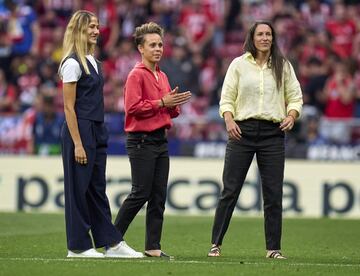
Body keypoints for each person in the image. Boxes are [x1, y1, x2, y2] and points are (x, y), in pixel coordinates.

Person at [207, 21, 303, 259]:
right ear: (252, 37)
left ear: (273, 37)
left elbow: (295, 97)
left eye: (269, 34)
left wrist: (292, 115)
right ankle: (215, 244)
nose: (265, 38)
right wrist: (229, 121)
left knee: (273, 194)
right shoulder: (238, 65)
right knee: (230, 190)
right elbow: (227, 97)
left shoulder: (283, 65)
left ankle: (273, 249)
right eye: (260, 34)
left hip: (273, 133)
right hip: (242, 131)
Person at [59, 10, 143, 258]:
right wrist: (77, 143)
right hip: (81, 130)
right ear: (79, 30)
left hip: (97, 128)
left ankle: (111, 242)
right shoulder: (72, 63)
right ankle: (78, 246)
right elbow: (68, 107)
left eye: (97, 26)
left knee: (96, 188)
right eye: (91, 27)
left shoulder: (93, 62)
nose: (97, 31)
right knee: (78, 189)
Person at [114, 22, 191, 258]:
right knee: (140, 192)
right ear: (140, 48)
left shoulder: (162, 75)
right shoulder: (136, 75)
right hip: (141, 140)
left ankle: (152, 247)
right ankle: (112, 239)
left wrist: (174, 106)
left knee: (158, 197)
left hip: (159, 140)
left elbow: (167, 110)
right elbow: (132, 108)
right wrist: (162, 103)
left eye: (160, 44)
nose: (158, 49)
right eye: (152, 45)